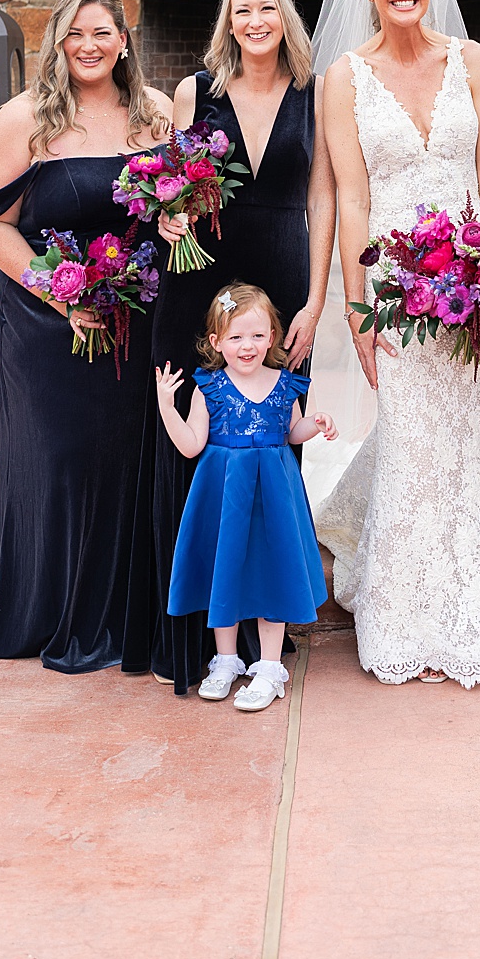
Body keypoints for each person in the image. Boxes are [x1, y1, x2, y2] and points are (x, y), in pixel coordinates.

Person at [315, 0, 480, 687]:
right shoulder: (343, 79)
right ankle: (406, 613)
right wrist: (356, 308)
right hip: (394, 291)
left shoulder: (475, 61)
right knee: (414, 437)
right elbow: (351, 198)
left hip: (471, 284)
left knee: (475, 435)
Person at [121, 0, 335, 693]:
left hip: (281, 276)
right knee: (205, 438)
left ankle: (269, 630)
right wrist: (167, 212)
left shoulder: (314, 92)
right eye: (242, 10)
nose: (254, 22)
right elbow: (170, 185)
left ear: (285, 18)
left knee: (272, 437)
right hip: (198, 276)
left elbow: (325, 197)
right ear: (228, 20)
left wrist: (314, 302)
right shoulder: (195, 92)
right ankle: (206, 637)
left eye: (267, 9)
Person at [0, 0, 173, 671]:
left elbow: (176, 206)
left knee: (126, 462)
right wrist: (59, 293)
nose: (89, 45)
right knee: (62, 462)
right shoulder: (25, 118)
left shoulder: (155, 115)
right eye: (76, 33)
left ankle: (120, 615)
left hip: (135, 316)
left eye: (103, 32)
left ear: (123, 41)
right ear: (58, 41)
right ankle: (53, 614)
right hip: (48, 324)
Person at [156, 283, 336, 712]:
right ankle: (226, 659)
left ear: (272, 337)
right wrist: (167, 406)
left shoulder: (284, 385)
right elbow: (191, 446)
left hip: (275, 498)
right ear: (217, 342)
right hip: (224, 499)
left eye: (256, 335)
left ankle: (270, 667)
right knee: (226, 569)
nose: (247, 346)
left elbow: (291, 433)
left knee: (272, 572)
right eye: (235, 337)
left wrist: (316, 424)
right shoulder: (210, 388)